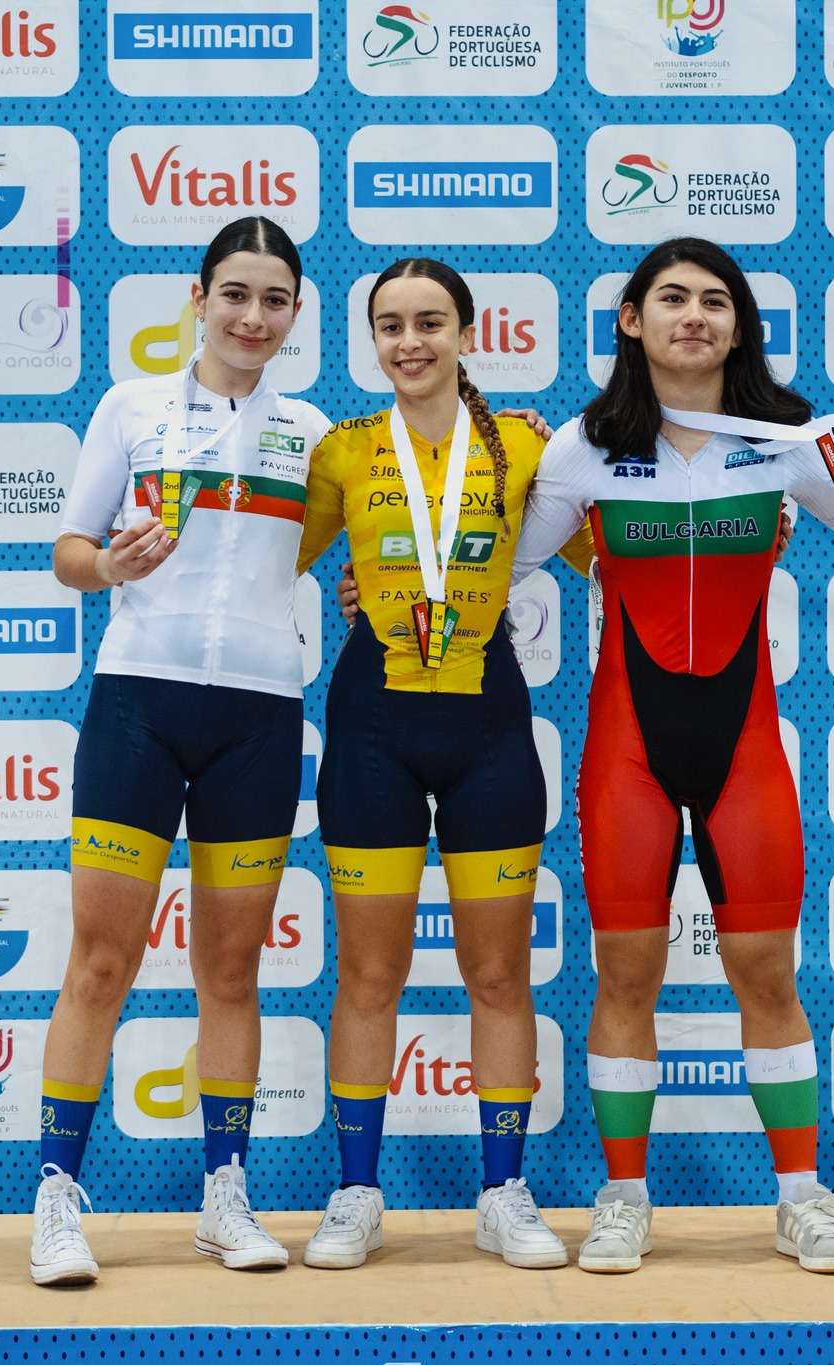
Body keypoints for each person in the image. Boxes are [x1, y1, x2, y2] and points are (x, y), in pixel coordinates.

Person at [508, 237, 834, 1275]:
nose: (694, 315)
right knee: (627, 974)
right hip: (627, 754)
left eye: (714, 302)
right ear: (630, 323)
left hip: (742, 750)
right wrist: (387, 582)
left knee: (763, 971)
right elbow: (499, 562)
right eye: (671, 299)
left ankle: (799, 1197)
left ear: (738, 327)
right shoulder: (582, 447)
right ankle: (622, 1196)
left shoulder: (786, 438)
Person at [32, 216, 331, 1285]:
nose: (253, 317)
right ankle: (58, 1199)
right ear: (197, 297)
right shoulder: (131, 405)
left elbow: (374, 541)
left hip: (259, 714)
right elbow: (68, 550)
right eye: (234, 294)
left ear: (297, 313)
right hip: (138, 706)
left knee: (231, 971)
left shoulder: (316, 433)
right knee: (100, 962)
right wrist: (108, 566)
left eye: (274, 300)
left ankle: (225, 1195)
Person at [292, 259, 593, 1270]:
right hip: (372, 728)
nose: (408, 341)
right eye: (389, 326)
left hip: (489, 733)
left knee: (498, 974)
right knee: (369, 974)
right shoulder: (340, 450)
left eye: (428, 322)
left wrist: (733, 528)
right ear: (370, 341)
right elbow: (260, 558)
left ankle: (503, 1193)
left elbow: (613, 548)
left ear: (467, 331)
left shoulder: (521, 445)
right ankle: (353, 1193)